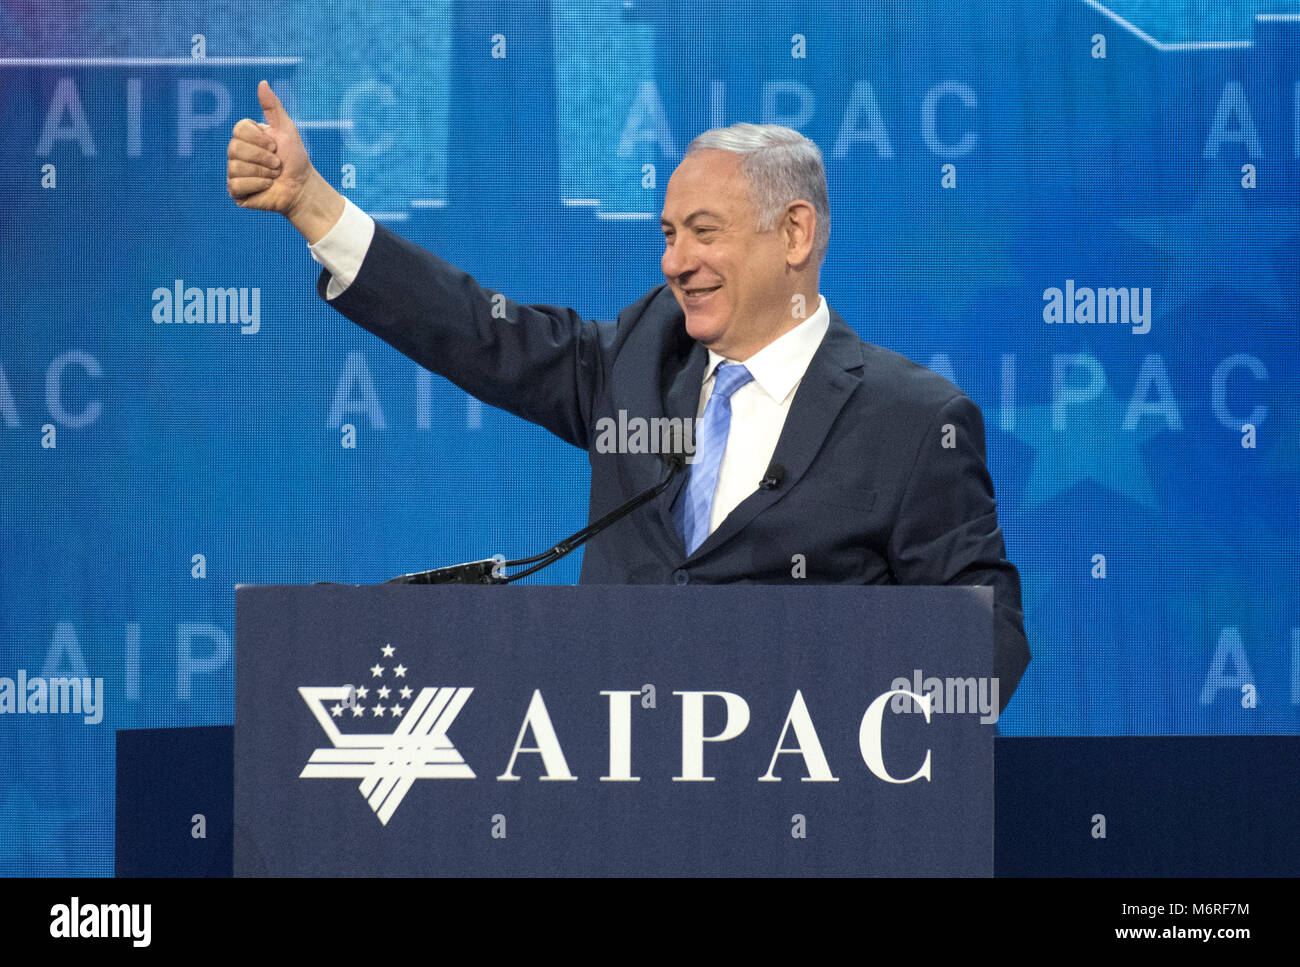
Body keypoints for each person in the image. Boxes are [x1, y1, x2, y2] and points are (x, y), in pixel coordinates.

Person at [227, 81, 1030, 706]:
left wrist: (855, 727)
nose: (674, 262)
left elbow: (985, 639)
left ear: (794, 234)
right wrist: (313, 206)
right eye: (668, 233)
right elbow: (481, 332)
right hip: (613, 809)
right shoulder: (644, 362)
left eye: (703, 231)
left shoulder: (914, 421)